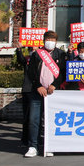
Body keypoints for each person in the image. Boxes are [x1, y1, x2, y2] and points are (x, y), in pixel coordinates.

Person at [24, 30, 66, 158]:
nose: (50, 42)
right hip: (38, 92)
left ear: (56, 42)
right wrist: (38, 86)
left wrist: (55, 85)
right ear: (44, 41)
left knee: (51, 121)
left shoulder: (60, 54)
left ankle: (49, 145)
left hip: (53, 92)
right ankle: (33, 146)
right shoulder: (37, 54)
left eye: (53, 40)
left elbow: (63, 73)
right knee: (34, 119)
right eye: (48, 40)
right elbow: (31, 73)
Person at [13, 40, 33, 148]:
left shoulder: (44, 58)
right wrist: (19, 49)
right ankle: (25, 140)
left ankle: (37, 139)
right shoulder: (27, 59)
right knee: (27, 117)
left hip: (41, 90)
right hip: (28, 89)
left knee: (38, 118)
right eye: (31, 48)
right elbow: (21, 60)